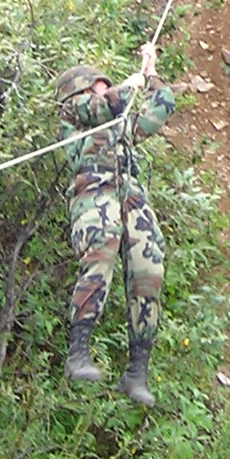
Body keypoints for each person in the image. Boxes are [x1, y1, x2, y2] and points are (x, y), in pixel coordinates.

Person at [57, 46, 178, 405]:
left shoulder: (117, 119)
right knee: (101, 252)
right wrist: (129, 84)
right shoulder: (73, 113)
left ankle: (136, 372)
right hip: (94, 194)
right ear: (80, 90)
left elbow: (161, 106)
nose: (104, 89)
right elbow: (106, 104)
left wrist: (151, 73)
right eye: (98, 84)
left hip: (129, 194)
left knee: (149, 268)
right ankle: (78, 354)